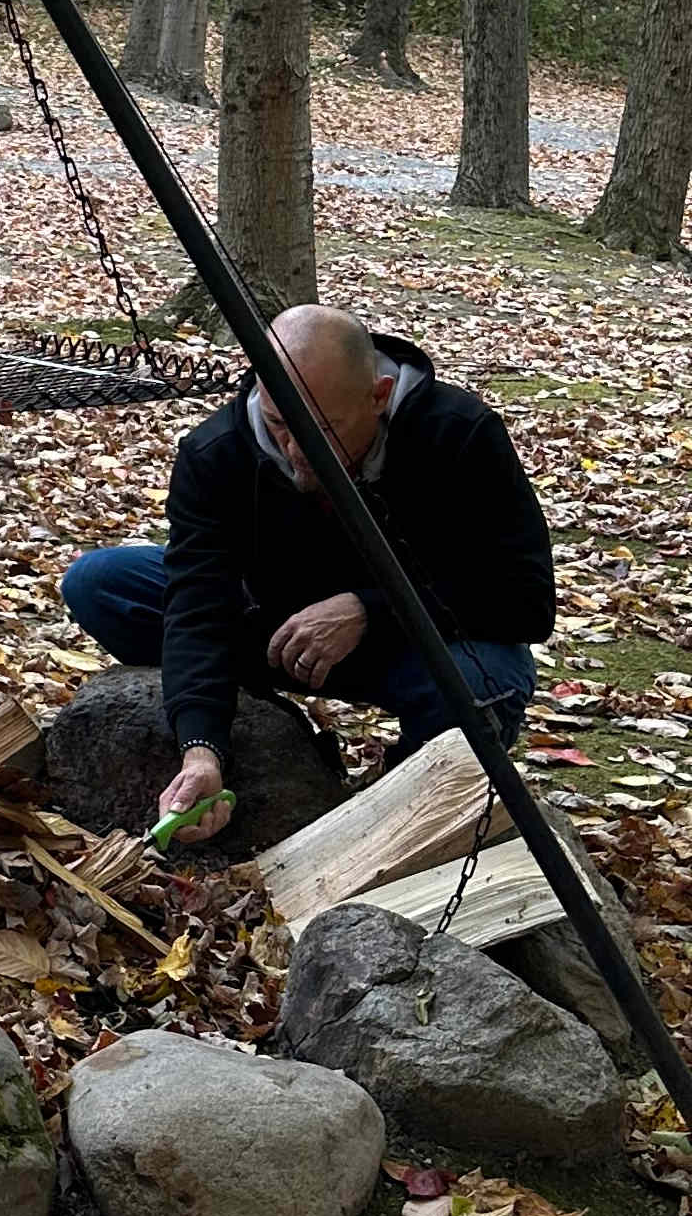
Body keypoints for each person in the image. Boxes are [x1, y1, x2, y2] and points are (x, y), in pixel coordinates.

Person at [60, 303, 554, 844]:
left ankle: (392, 811)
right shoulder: (217, 451)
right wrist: (200, 745)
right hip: (266, 624)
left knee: (493, 677)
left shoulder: (458, 433)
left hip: (403, 641)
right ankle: (251, 718)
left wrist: (370, 609)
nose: (297, 453)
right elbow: (197, 604)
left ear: (379, 396)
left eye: (323, 432)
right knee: (102, 582)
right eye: (279, 425)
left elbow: (525, 597)